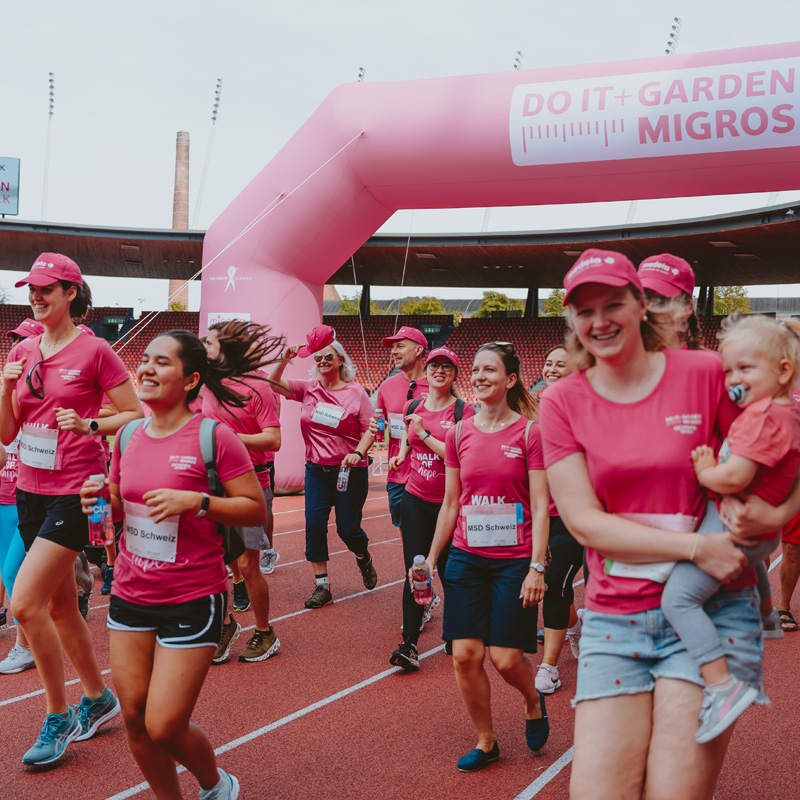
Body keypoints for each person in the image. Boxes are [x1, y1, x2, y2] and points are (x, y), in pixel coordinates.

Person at [539, 248, 764, 799]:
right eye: (584, 310)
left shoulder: (705, 372)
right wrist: (695, 547)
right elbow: (585, 522)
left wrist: (762, 518)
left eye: (613, 303)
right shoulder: (562, 401)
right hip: (616, 619)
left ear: (641, 304)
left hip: (711, 613)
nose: (599, 320)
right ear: (571, 319)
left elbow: (770, 449)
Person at [81, 329, 266, 800]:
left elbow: (254, 509)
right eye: (144, 359)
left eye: (161, 362)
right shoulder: (126, 435)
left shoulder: (213, 437)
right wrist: (102, 500)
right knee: (134, 720)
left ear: (190, 379)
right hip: (130, 593)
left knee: (163, 724)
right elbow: (121, 506)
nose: (145, 368)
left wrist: (198, 501)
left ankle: (215, 783)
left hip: (192, 596)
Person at [0, 253, 143, 767]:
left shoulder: (96, 350)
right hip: (29, 489)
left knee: (24, 603)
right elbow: (7, 433)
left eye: (45, 290)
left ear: (71, 294)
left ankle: (57, 715)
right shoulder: (23, 349)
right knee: (59, 607)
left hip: (76, 490)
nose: (35, 298)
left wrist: (88, 426)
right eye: (31, 290)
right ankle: (98, 697)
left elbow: (133, 413)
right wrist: (4, 384)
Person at [660, 314, 800, 742]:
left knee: (678, 600)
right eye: (728, 370)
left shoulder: (762, 417)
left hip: (742, 527)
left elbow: (735, 477)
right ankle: (765, 611)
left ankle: (723, 684)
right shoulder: (783, 408)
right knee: (750, 562)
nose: (733, 379)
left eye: (745, 368)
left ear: (782, 370)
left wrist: (705, 471)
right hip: (757, 531)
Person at [419, 341, 550, 772]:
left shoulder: (530, 433)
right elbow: (452, 503)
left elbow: (540, 502)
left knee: (506, 658)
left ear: (510, 380)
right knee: (465, 655)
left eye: (489, 370)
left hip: (514, 562)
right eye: (475, 370)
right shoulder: (458, 433)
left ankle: (532, 699)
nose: (478, 376)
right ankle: (487, 740)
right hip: (467, 559)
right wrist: (429, 557)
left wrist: (536, 566)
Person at [268, 330, 377, 608]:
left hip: (349, 471)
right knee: (314, 526)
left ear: (340, 360)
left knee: (348, 530)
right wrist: (284, 360)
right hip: (316, 470)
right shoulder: (308, 388)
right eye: (318, 358)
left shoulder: (356, 393)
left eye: (328, 356)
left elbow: (370, 430)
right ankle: (322, 586)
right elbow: (272, 385)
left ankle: (363, 557)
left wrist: (357, 452)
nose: (323, 361)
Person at [387, 346, 475, 671]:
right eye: (434, 365)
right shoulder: (413, 404)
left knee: (451, 572)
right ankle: (409, 644)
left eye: (446, 367)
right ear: (426, 371)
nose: (439, 370)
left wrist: (423, 432)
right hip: (415, 499)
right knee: (416, 569)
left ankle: (454, 631)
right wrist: (402, 453)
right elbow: (409, 435)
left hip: (449, 504)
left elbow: (460, 456)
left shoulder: (463, 413)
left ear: (454, 375)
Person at [202, 319, 283, 665]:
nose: (204, 347)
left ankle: (265, 632)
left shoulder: (259, 388)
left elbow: (273, 440)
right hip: (214, 483)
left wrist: (231, 439)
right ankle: (226, 625)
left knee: (249, 566)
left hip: (251, 482)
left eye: (210, 342)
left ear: (228, 348)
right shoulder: (207, 385)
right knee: (216, 562)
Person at [535, 344, 585, 695]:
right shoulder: (530, 407)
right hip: (535, 512)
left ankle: (549, 668)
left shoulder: (589, 410)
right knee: (547, 586)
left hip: (573, 513)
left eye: (560, 364)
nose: (552, 369)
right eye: (548, 363)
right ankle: (575, 624)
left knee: (553, 582)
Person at [0, 319, 45, 674]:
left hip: (32, 495)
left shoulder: (44, 395)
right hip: (5, 496)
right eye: (13, 342)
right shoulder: (7, 391)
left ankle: (24, 646)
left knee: (16, 573)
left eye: (23, 342)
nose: (16, 348)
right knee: (7, 572)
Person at [377, 326, 429, 529]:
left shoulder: (437, 385)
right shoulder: (386, 386)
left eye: (400, 346)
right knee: (407, 536)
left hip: (431, 474)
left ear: (418, 351)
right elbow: (379, 425)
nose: (393, 351)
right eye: (392, 347)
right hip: (398, 473)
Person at [638, 253, 702, 350]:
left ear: (687, 308)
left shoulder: (710, 363)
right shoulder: (614, 359)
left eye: (662, 299)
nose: (649, 307)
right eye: (644, 296)